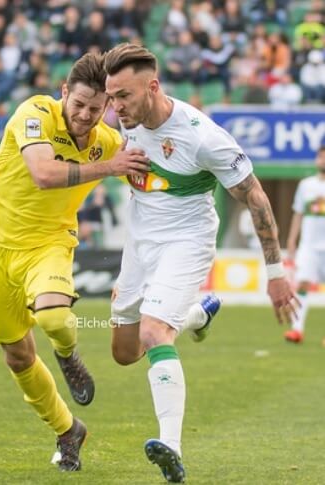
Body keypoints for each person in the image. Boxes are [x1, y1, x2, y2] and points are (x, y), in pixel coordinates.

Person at [103, 43, 299, 483]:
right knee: (123, 352)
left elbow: (256, 196)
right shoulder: (122, 122)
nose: (115, 108)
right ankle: (195, 316)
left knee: (154, 332)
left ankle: (170, 447)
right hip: (139, 243)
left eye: (124, 97)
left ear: (152, 87)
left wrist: (275, 273)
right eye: (111, 96)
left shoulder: (201, 135)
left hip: (186, 241)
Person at [0, 52, 152, 473]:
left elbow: (148, 177)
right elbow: (43, 173)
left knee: (53, 318)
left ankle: (68, 357)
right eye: (79, 104)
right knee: (17, 357)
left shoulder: (108, 142)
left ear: (108, 105)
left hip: (49, 243)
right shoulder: (34, 112)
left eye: (95, 107)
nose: (85, 115)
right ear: (64, 92)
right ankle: (68, 430)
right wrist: (110, 167)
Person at [284, 146, 325, 343]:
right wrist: (292, 240)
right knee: (302, 283)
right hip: (309, 246)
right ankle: (297, 329)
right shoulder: (306, 185)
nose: (322, 159)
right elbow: (298, 213)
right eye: (320, 156)